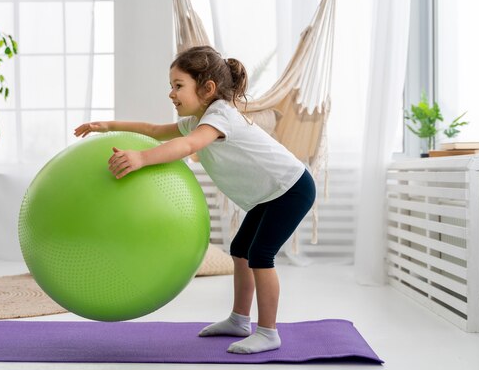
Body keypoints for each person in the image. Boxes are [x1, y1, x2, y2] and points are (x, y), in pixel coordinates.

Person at [74, 45, 316, 354]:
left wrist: (142, 158)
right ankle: (240, 320)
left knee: (260, 255)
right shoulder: (199, 119)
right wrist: (107, 126)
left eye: (178, 86)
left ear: (208, 88)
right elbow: (153, 130)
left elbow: (189, 145)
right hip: (271, 194)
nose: (171, 93)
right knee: (240, 250)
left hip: (291, 188)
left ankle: (268, 332)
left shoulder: (220, 116)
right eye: (170, 86)